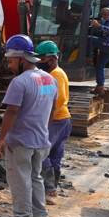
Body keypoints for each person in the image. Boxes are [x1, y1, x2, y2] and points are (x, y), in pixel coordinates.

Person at [0, 34, 57, 217]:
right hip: (41, 140)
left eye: (12, 61)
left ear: (22, 59)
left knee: (20, 179)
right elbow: (53, 110)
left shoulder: (20, 82)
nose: (10, 66)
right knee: (35, 177)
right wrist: (44, 130)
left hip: (21, 141)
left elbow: (11, 112)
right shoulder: (49, 79)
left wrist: (2, 138)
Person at [34, 41, 71, 202]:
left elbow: (55, 99)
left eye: (41, 58)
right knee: (55, 153)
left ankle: (49, 188)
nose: (39, 62)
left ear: (51, 58)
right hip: (62, 119)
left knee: (42, 152)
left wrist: (43, 118)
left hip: (56, 119)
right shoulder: (57, 73)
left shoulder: (55, 75)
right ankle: (52, 187)